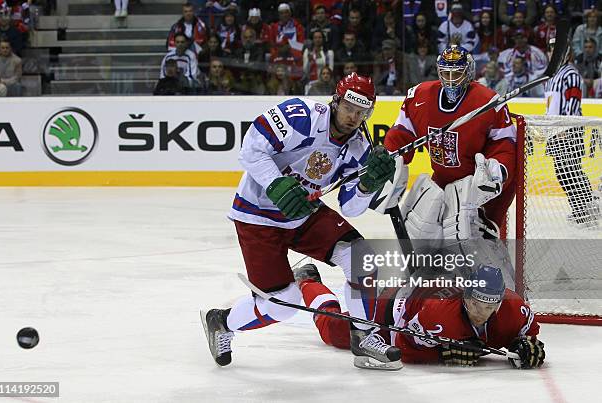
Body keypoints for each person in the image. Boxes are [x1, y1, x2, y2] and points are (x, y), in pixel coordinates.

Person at [201, 73, 402, 371]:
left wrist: (367, 185)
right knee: (280, 305)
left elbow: (350, 206)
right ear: (336, 101)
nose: (353, 117)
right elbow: (252, 148)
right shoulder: (301, 115)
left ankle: (363, 334)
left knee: (360, 256)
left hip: (302, 212)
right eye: (349, 107)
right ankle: (221, 321)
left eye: (361, 112)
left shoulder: (360, 149)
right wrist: (276, 184)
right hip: (258, 215)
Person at [294, 263, 546, 368]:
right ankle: (307, 280)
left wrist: (524, 346)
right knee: (332, 328)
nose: (482, 313)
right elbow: (400, 343)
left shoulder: (516, 309)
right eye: (475, 303)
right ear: (465, 296)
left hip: (421, 291)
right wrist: (440, 353)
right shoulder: (439, 314)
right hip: (390, 314)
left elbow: (530, 334)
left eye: (490, 305)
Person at [384, 45, 517, 236]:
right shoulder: (420, 97)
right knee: (420, 230)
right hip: (442, 180)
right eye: (446, 73)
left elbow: (504, 143)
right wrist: (388, 160)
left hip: (478, 187)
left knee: (471, 240)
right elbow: (402, 134)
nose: (451, 80)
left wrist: (498, 168)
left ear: (468, 73)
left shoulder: (489, 102)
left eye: (457, 74)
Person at [544, 37, 599, 227]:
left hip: (568, 130)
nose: (553, 52)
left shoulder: (571, 74)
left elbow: (573, 101)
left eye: (557, 49)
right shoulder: (552, 76)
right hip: (556, 130)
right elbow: (551, 105)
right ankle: (580, 209)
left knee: (572, 170)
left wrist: (565, 126)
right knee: (562, 172)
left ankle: (585, 209)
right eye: (551, 49)